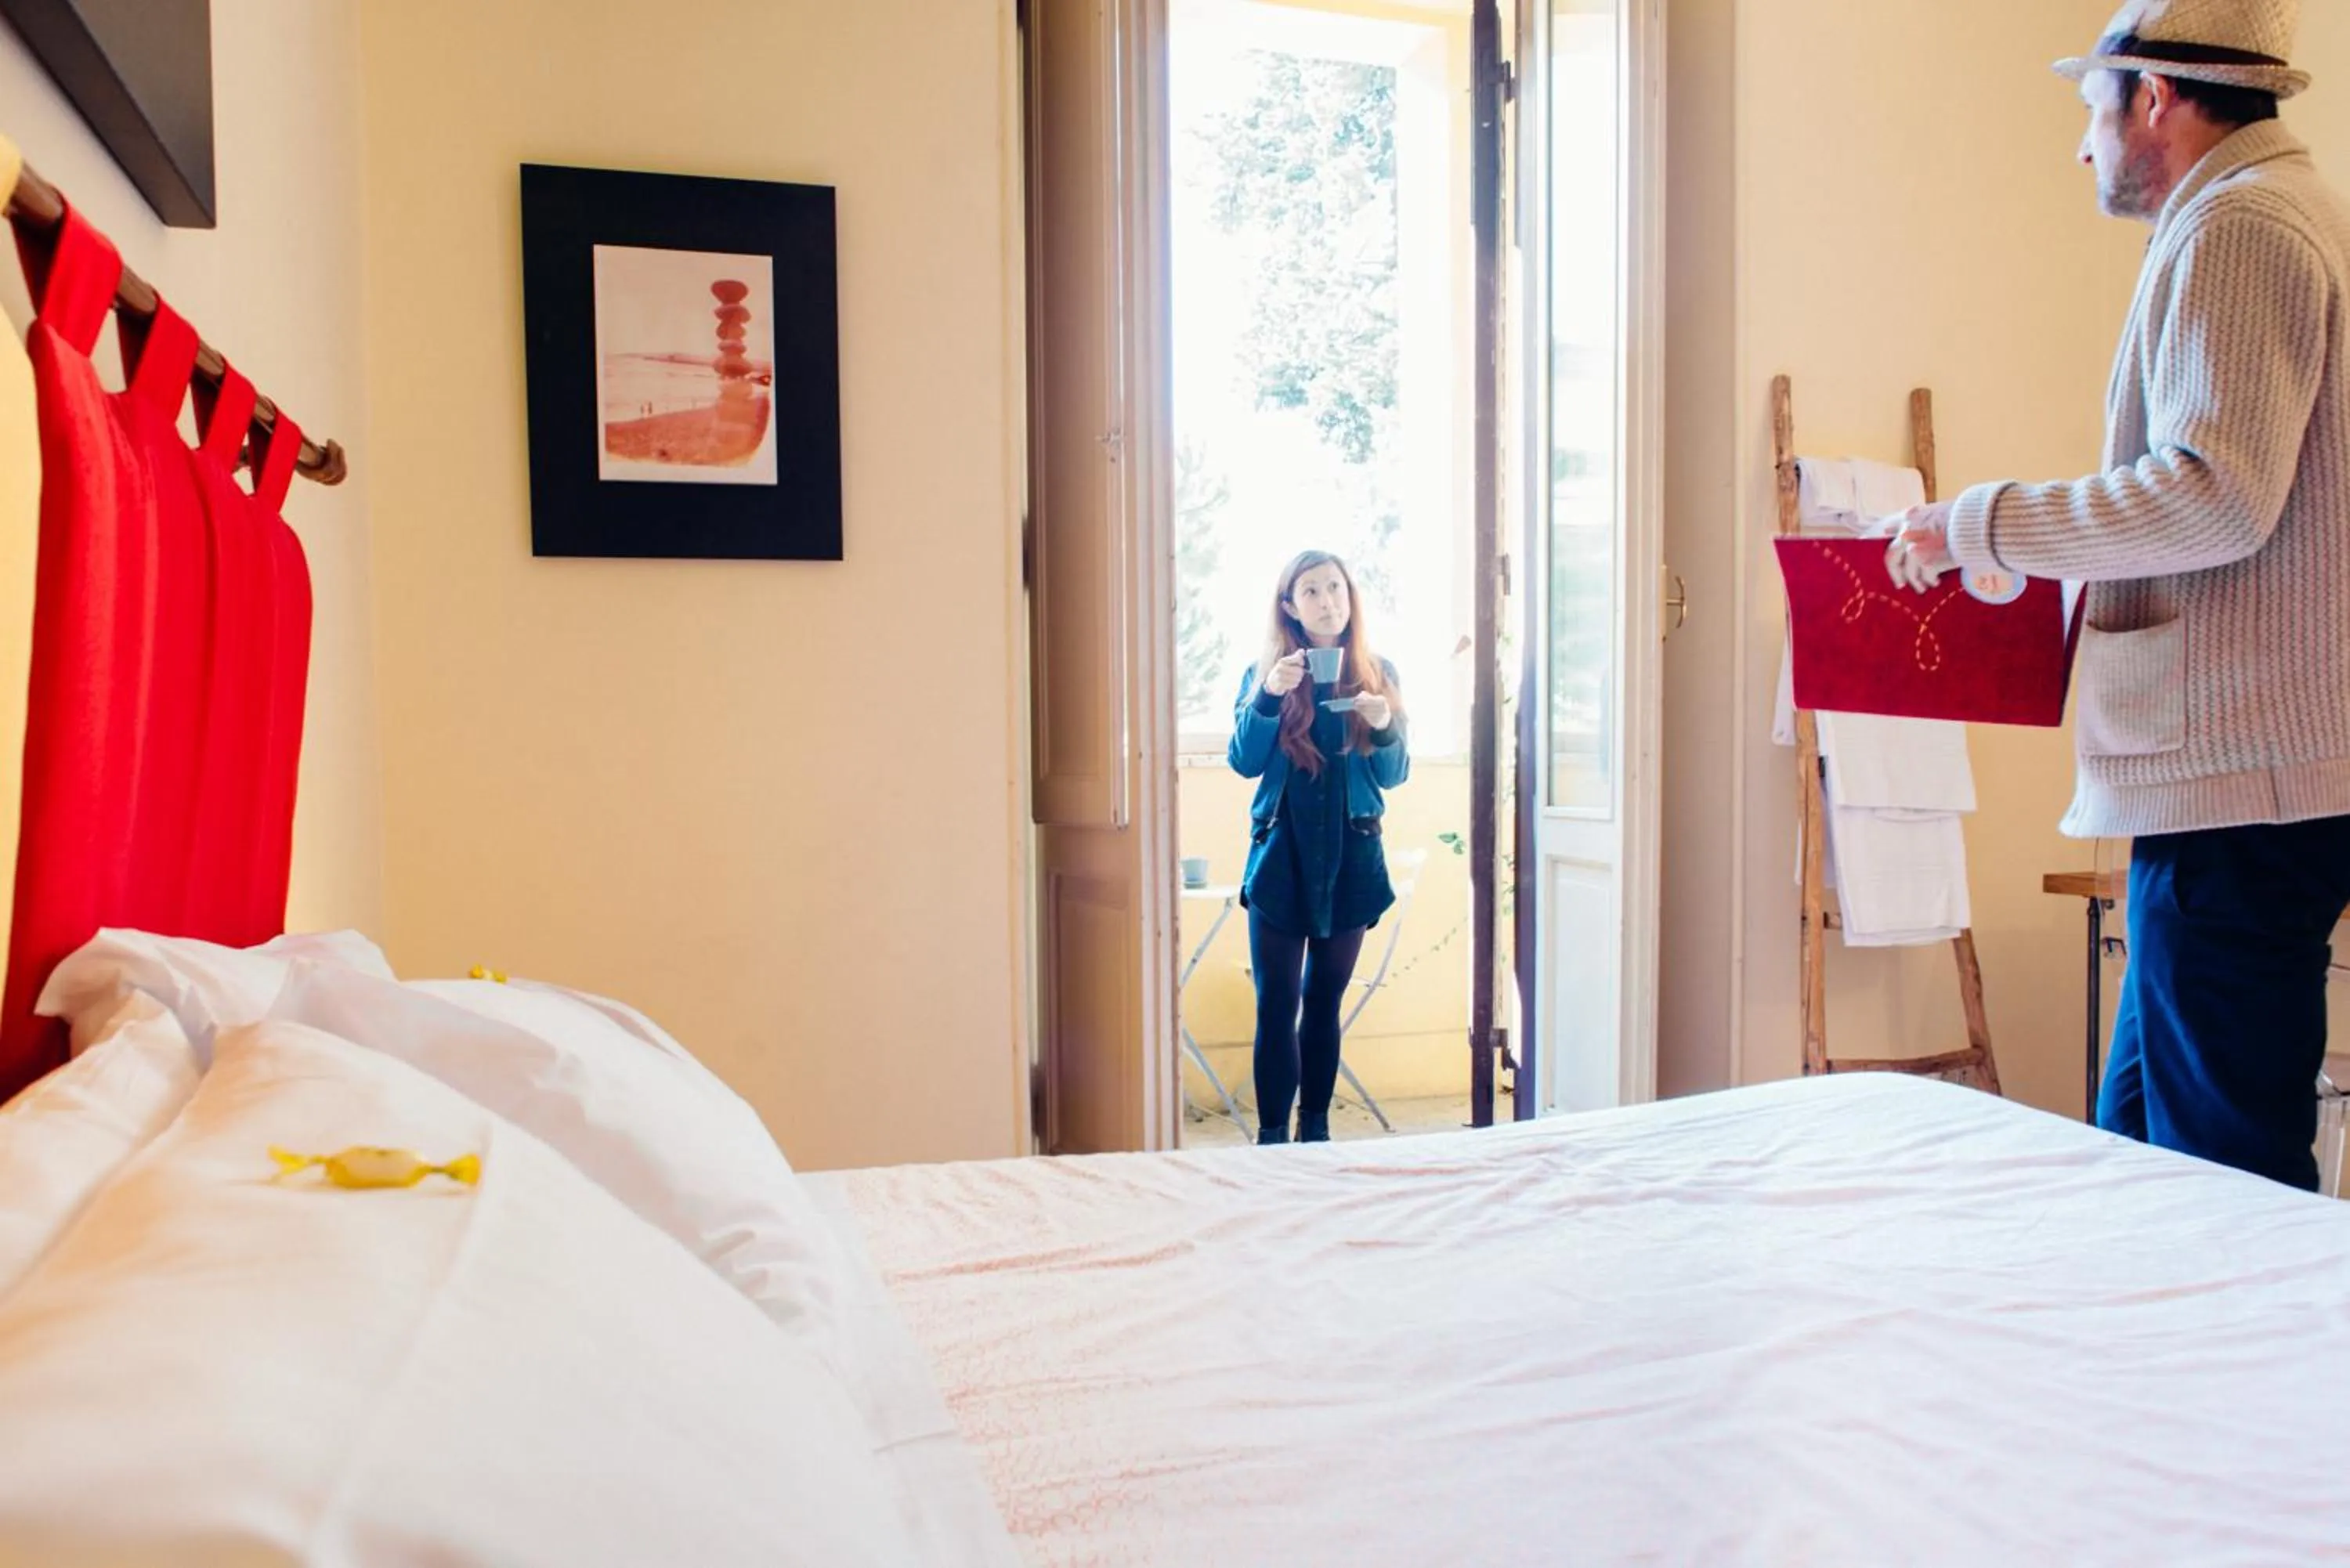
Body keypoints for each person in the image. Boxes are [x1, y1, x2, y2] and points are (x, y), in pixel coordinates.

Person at [1887, 0, 2350, 1190]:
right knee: (2143, 1165)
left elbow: (2216, 497)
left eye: (2092, 106)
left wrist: (1979, 520)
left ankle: (2249, 1379)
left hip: (2236, 791)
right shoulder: (2260, 218)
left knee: (2219, 1186)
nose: (2081, 144)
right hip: (2237, 783)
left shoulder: (2242, 229)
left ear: (2154, 96)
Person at [1227, 551, 1409, 1145]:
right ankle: (1273, 1138)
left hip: (1353, 857)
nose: (1328, 600)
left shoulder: (1379, 673)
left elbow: (1394, 774)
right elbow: (1244, 761)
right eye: (1311, 591)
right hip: (1281, 856)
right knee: (1275, 1001)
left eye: (1336, 588)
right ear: (1289, 606)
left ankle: (1317, 1134)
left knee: (1323, 999)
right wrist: (1268, 697)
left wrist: (1384, 725)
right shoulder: (1264, 673)